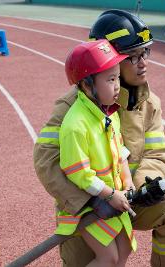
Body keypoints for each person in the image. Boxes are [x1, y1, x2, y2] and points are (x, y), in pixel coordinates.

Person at [34, 9, 165, 267]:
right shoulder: (72, 107)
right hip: (89, 209)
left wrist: (143, 186)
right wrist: (93, 200)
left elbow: (157, 154)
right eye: (133, 56)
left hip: (133, 199)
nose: (143, 62)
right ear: (107, 60)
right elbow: (47, 161)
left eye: (146, 52)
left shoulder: (149, 103)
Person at [55, 39, 136, 266]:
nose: (118, 85)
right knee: (108, 257)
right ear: (87, 85)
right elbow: (79, 174)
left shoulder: (110, 113)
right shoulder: (75, 125)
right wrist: (110, 194)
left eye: (118, 77)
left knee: (125, 249)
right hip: (89, 205)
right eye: (110, 79)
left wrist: (127, 180)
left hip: (113, 199)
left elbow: (119, 151)